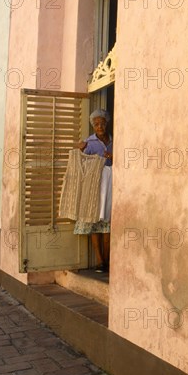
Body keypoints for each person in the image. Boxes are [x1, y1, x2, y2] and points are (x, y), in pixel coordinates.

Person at [75, 109, 113, 272]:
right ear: (93, 126)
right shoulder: (88, 143)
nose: (100, 126)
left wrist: (113, 157)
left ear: (107, 123)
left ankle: (108, 261)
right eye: (96, 124)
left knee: (107, 223)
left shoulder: (115, 141)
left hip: (111, 185)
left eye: (102, 123)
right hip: (94, 187)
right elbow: (80, 166)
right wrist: (81, 151)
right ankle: (99, 261)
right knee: (94, 222)